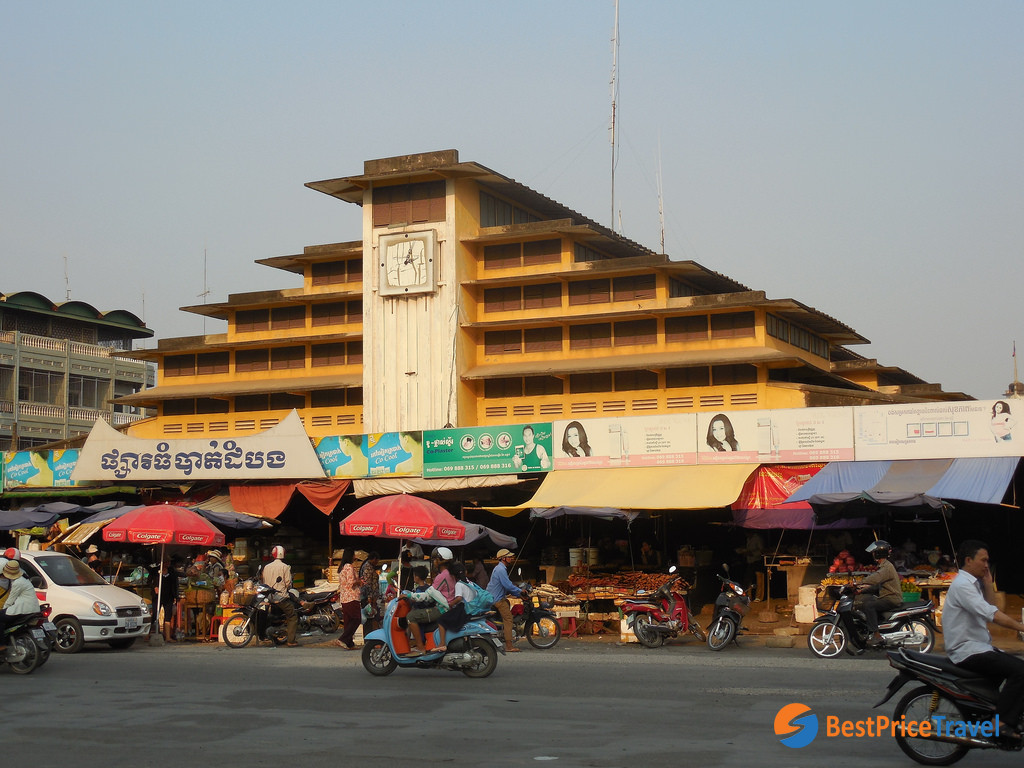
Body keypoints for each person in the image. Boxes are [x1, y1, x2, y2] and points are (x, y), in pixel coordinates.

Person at [943, 539, 1024, 743]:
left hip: (980, 648)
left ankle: (993, 716)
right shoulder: (962, 586)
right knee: (1020, 671)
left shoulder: (973, 584)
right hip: (967, 651)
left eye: (988, 561)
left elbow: (990, 604)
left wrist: (988, 583)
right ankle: (1001, 724)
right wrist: (1022, 627)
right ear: (969, 560)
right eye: (983, 560)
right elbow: (993, 614)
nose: (987, 565)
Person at [855, 540, 902, 647]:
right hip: (886, 596)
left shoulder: (886, 568)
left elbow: (875, 578)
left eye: (874, 552)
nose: (872, 554)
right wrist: (861, 590)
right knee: (866, 600)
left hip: (891, 598)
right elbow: (876, 586)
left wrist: (858, 582)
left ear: (878, 553)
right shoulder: (884, 566)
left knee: (869, 605)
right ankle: (874, 628)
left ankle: (876, 635)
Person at [404, 566, 449, 656]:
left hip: (432, 612)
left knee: (410, 617)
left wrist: (410, 597)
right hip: (433, 610)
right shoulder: (427, 587)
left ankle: (420, 647)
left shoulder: (423, 590)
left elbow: (422, 598)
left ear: (416, 577)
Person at [486, 548, 524, 652]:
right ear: (503, 558)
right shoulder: (501, 569)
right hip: (497, 599)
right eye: (509, 557)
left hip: (496, 597)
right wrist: (519, 591)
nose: (511, 558)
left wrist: (516, 592)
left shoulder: (500, 568)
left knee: (507, 602)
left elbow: (507, 585)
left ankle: (504, 633)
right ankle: (509, 645)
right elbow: (507, 585)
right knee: (508, 619)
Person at [0, 560, 41, 653]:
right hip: (31, 609)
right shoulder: (23, 580)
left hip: (23, 610)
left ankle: (1, 645)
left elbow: (10, 600)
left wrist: (3, 609)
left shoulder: (18, 583)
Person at [262, 545, 298, 647]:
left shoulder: (267, 567)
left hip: (269, 597)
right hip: (281, 597)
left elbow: (264, 581)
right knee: (292, 616)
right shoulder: (285, 567)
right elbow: (288, 583)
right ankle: (291, 641)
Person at [333, 549, 363, 650]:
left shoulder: (342, 567)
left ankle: (349, 643)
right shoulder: (349, 567)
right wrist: (359, 582)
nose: (355, 557)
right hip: (351, 597)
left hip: (344, 598)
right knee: (356, 619)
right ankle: (343, 639)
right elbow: (351, 582)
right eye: (354, 555)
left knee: (348, 621)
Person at [359, 551, 383, 633]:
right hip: (369, 597)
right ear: (374, 559)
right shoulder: (367, 568)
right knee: (370, 616)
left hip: (372, 596)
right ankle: (369, 633)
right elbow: (367, 583)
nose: (377, 563)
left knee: (373, 614)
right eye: (377, 561)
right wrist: (369, 597)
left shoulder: (369, 566)